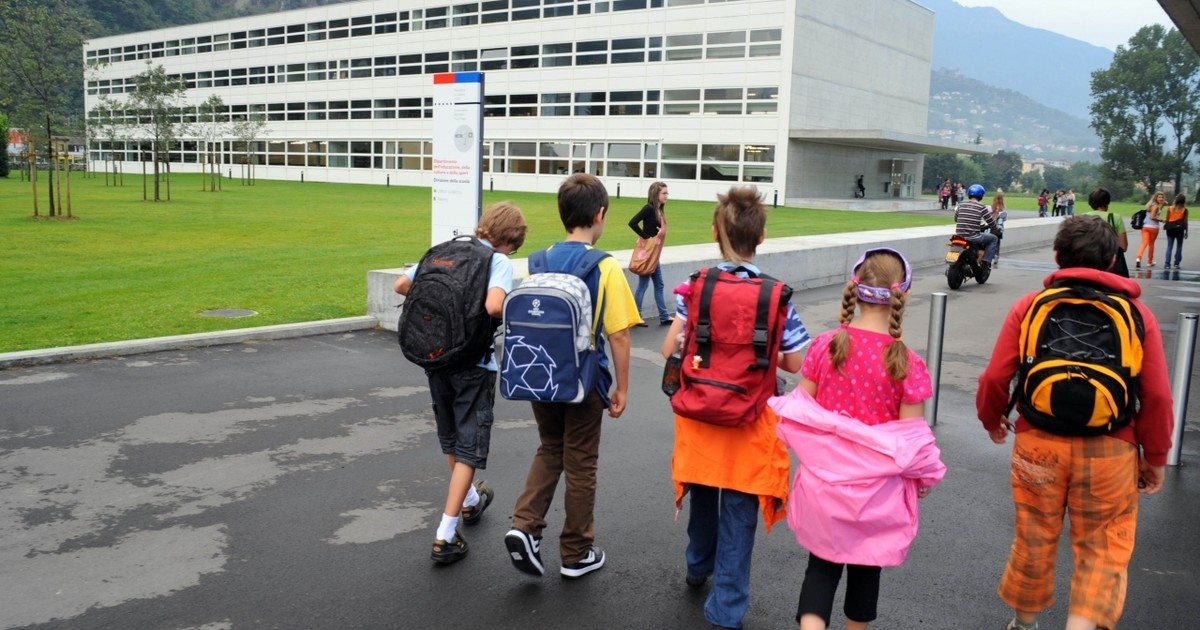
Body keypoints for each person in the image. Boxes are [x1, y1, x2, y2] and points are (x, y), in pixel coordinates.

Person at [976, 216, 1173, 630]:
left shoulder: (1030, 306)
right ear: (1113, 259)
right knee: (1104, 546)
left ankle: (1024, 623)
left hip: (1037, 442)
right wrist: (1155, 456)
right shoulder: (1137, 314)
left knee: (1034, 535)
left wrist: (992, 418)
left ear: (1057, 257)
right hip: (1111, 445)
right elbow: (1155, 395)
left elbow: (995, 377)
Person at [660, 186, 811, 630]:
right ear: (761, 236)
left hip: (702, 415)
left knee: (703, 494)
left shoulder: (695, 288)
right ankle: (727, 609)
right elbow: (796, 362)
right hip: (750, 418)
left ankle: (696, 565)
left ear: (714, 232)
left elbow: (673, 345)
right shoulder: (776, 295)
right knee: (740, 515)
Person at [770, 247, 944, 630]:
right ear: (905, 294)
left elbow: (802, 411)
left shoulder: (825, 346)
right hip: (877, 495)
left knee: (821, 566)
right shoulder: (907, 362)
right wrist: (924, 477)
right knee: (867, 571)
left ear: (856, 288)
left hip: (824, 486)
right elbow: (912, 439)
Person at [504, 173, 640, 580]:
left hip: (540, 375)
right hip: (583, 382)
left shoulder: (539, 261)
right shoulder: (605, 267)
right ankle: (577, 552)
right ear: (599, 215)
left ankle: (524, 525)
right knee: (581, 462)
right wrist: (623, 387)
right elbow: (618, 334)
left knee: (549, 448)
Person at [393, 201, 528, 565]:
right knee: (469, 446)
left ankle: (469, 500)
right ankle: (445, 534)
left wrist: (442, 314)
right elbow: (494, 307)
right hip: (473, 362)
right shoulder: (496, 262)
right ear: (511, 241)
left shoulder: (444, 250)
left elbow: (401, 285)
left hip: (435, 355)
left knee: (450, 437)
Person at [628, 181, 674, 327]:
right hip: (648, 255)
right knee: (643, 285)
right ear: (656, 194)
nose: (667, 195)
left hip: (654, 255)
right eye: (664, 193)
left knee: (659, 284)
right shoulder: (648, 208)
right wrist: (645, 236)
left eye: (667, 193)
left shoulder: (659, 210)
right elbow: (632, 222)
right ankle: (636, 316)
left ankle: (664, 316)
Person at [1080, 187, 1128, 277]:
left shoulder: (1083, 218)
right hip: (1111, 267)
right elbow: (1123, 246)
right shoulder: (1115, 217)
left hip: (1089, 264)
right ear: (1107, 201)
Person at [953, 183, 998, 268]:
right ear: (981, 195)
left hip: (959, 236)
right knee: (993, 239)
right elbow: (991, 222)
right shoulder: (982, 207)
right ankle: (986, 262)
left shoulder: (961, 205)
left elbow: (956, 219)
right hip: (973, 237)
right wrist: (996, 228)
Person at [1135, 191, 1166, 268]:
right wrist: (1161, 220)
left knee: (1144, 243)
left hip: (1145, 227)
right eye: (1159, 197)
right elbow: (1152, 217)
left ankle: (1138, 258)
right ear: (1156, 198)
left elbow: (1157, 211)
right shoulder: (1155, 206)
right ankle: (1149, 261)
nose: (1161, 198)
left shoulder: (1150, 205)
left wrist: (1163, 205)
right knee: (1151, 244)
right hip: (1153, 228)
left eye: (1162, 197)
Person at [1163, 193, 1189, 269]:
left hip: (1170, 229)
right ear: (1184, 201)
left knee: (1169, 246)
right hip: (1179, 229)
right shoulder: (1185, 210)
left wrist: (1167, 226)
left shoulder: (1170, 208)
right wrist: (1186, 232)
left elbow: (1167, 219)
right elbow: (1185, 222)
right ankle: (1177, 263)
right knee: (1179, 246)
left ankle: (1167, 264)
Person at [990, 189, 1008, 267]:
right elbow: (1004, 218)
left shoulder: (992, 206)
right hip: (999, 228)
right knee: (997, 242)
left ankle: (990, 255)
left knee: (991, 241)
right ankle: (996, 256)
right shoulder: (1002, 207)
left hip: (991, 227)